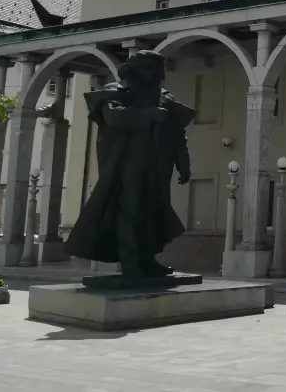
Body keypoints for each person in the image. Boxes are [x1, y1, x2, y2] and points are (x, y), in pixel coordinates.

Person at [64, 50, 196, 278]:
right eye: (149, 68)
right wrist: (150, 114)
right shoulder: (114, 92)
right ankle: (130, 262)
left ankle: (147, 260)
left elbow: (177, 132)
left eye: (157, 69)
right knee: (129, 212)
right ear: (134, 69)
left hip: (156, 166)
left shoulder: (164, 97)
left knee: (152, 213)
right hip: (126, 164)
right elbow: (114, 118)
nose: (154, 73)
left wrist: (183, 161)